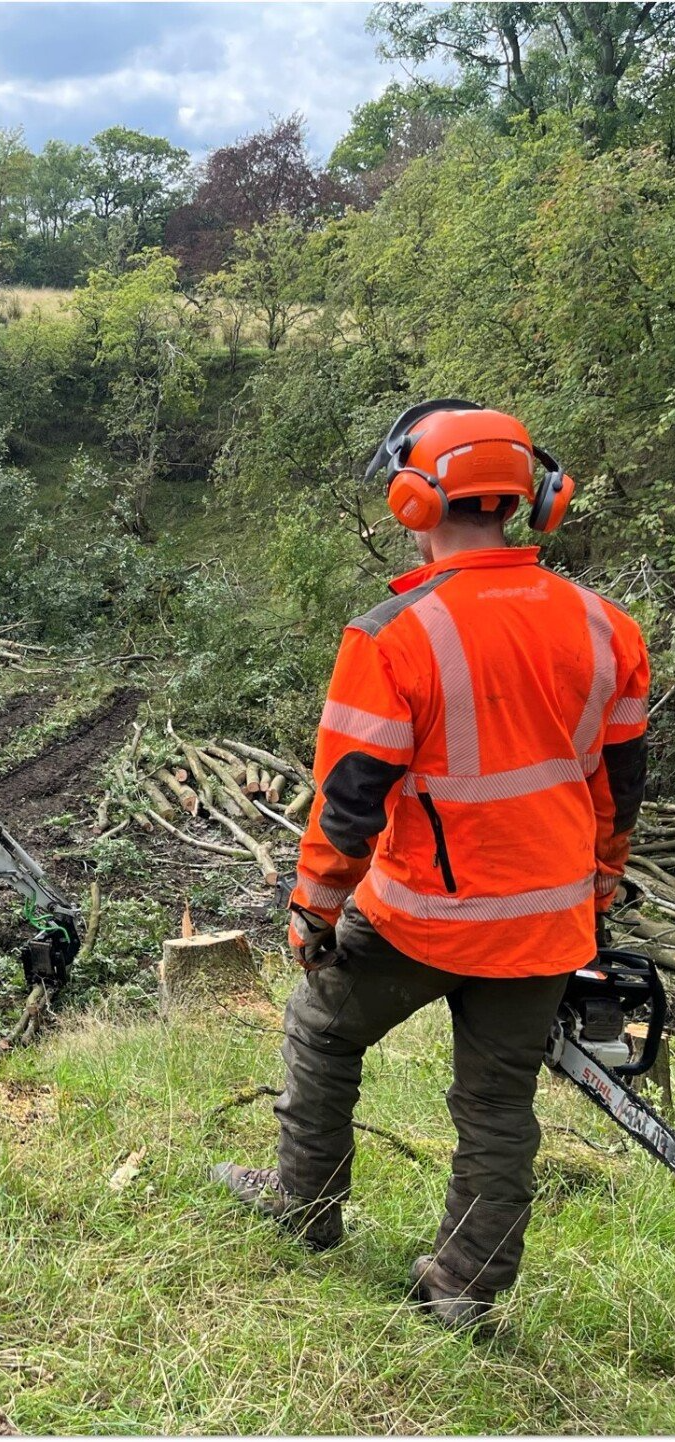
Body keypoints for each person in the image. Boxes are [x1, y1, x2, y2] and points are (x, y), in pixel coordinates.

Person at [212, 400, 649, 1329]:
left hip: (421, 918)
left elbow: (349, 798)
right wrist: (599, 889)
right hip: (546, 921)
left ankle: (305, 1203)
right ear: (531, 497)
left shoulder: (393, 635)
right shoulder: (610, 627)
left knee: (324, 1031)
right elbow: (619, 786)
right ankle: (466, 1288)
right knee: (497, 1105)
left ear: (414, 499)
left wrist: (315, 907)